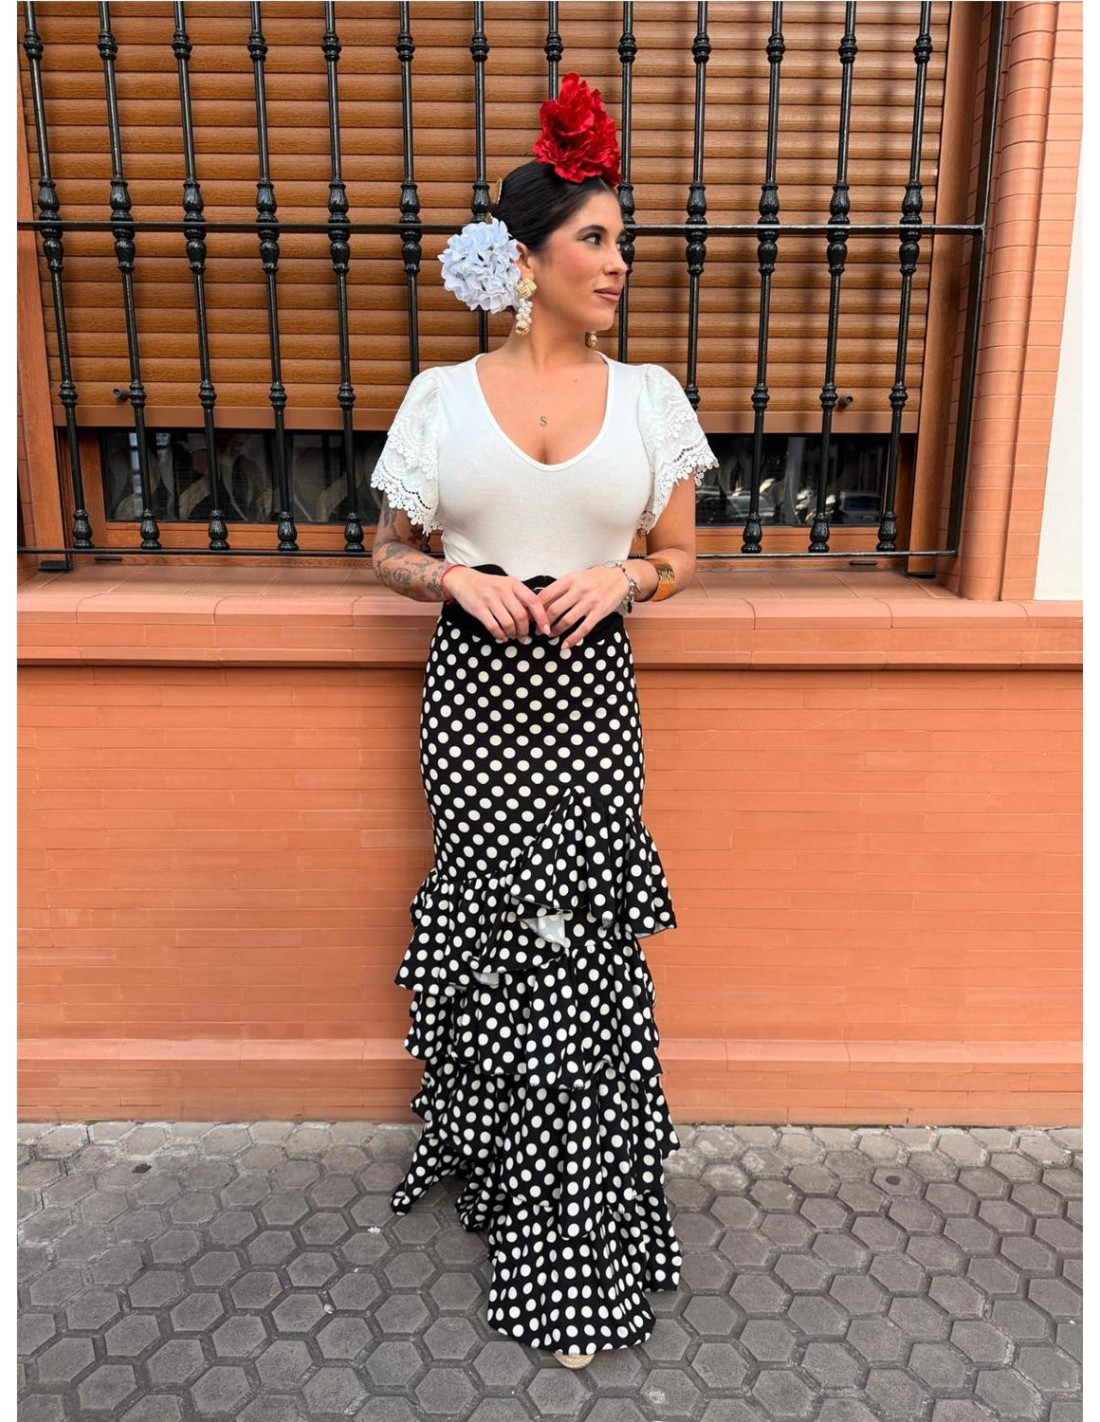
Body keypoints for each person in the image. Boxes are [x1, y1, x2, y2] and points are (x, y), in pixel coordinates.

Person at [369, 74, 719, 1368]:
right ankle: (496, 1153)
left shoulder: (653, 399)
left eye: (623, 241)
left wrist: (626, 577)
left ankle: (567, 1240)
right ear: (527, 260)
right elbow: (385, 550)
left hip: (589, 714)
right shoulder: (439, 398)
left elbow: (683, 558)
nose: (620, 262)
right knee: (501, 947)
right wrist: (447, 579)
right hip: (473, 711)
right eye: (596, 239)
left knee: (576, 960)